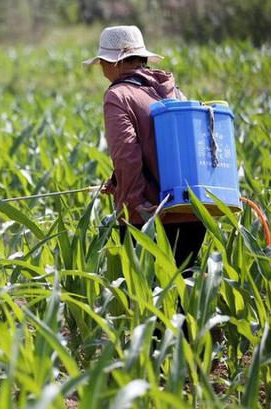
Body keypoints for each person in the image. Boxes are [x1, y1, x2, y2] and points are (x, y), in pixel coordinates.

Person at [84, 25, 206, 271]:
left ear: (116, 63)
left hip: (151, 216)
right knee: (186, 297)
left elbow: (127, 155)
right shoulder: (172, 91)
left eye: (103, 62)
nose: (102, 69)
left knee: (148, 300)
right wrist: (116, 181)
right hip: (192, 211)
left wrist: (135, 202)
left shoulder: (118, 95)